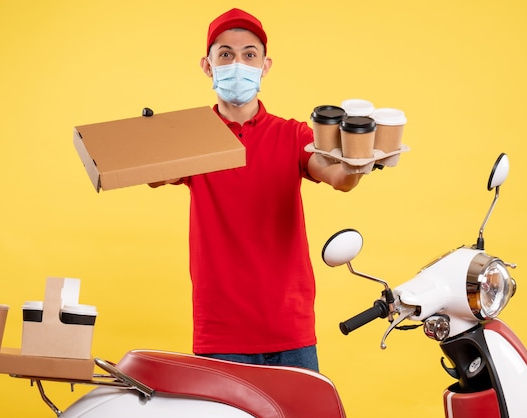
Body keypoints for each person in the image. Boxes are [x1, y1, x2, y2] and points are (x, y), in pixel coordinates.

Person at [150, 8, 365, 372]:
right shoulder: (194, 140)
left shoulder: (292, 134)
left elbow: (337, 178)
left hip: (290, 330)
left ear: (265, 66)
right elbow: (153, 173)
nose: (238, 63)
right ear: (207, 65)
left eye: (249, 54)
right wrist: (148, 144)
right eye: (226, 54)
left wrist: (356, 165)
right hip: (221, 335)